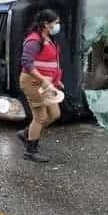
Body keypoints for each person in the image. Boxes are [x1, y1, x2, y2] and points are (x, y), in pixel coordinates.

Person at [17, 9, 63, 163]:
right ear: (46, 24)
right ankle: (30, 151)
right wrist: (42, 78)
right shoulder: (34, 40)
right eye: (55, 23)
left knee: (54, 114)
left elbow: (50, 63)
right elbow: (27, 62)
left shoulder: (49, 38)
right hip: (33, 82)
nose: (57, 25)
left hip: (47, 83)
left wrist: (56, 80)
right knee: (40, 117)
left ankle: (26, 134)